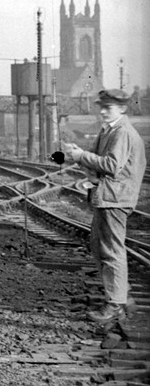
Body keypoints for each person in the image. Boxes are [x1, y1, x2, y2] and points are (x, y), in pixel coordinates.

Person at [62, 89, 146, 325]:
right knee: (101, 247)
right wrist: (80, 162)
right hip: (109, 196)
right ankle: (122, 297)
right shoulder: (110, 130)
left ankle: (115, 304)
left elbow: (111, 165)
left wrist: (81, 156)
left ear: (122, 108)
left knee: (111, 250)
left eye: (107, 107)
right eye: (101, 106)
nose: (102, 111)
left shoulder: (122, 132)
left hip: (115, 200)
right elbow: (106, 166)